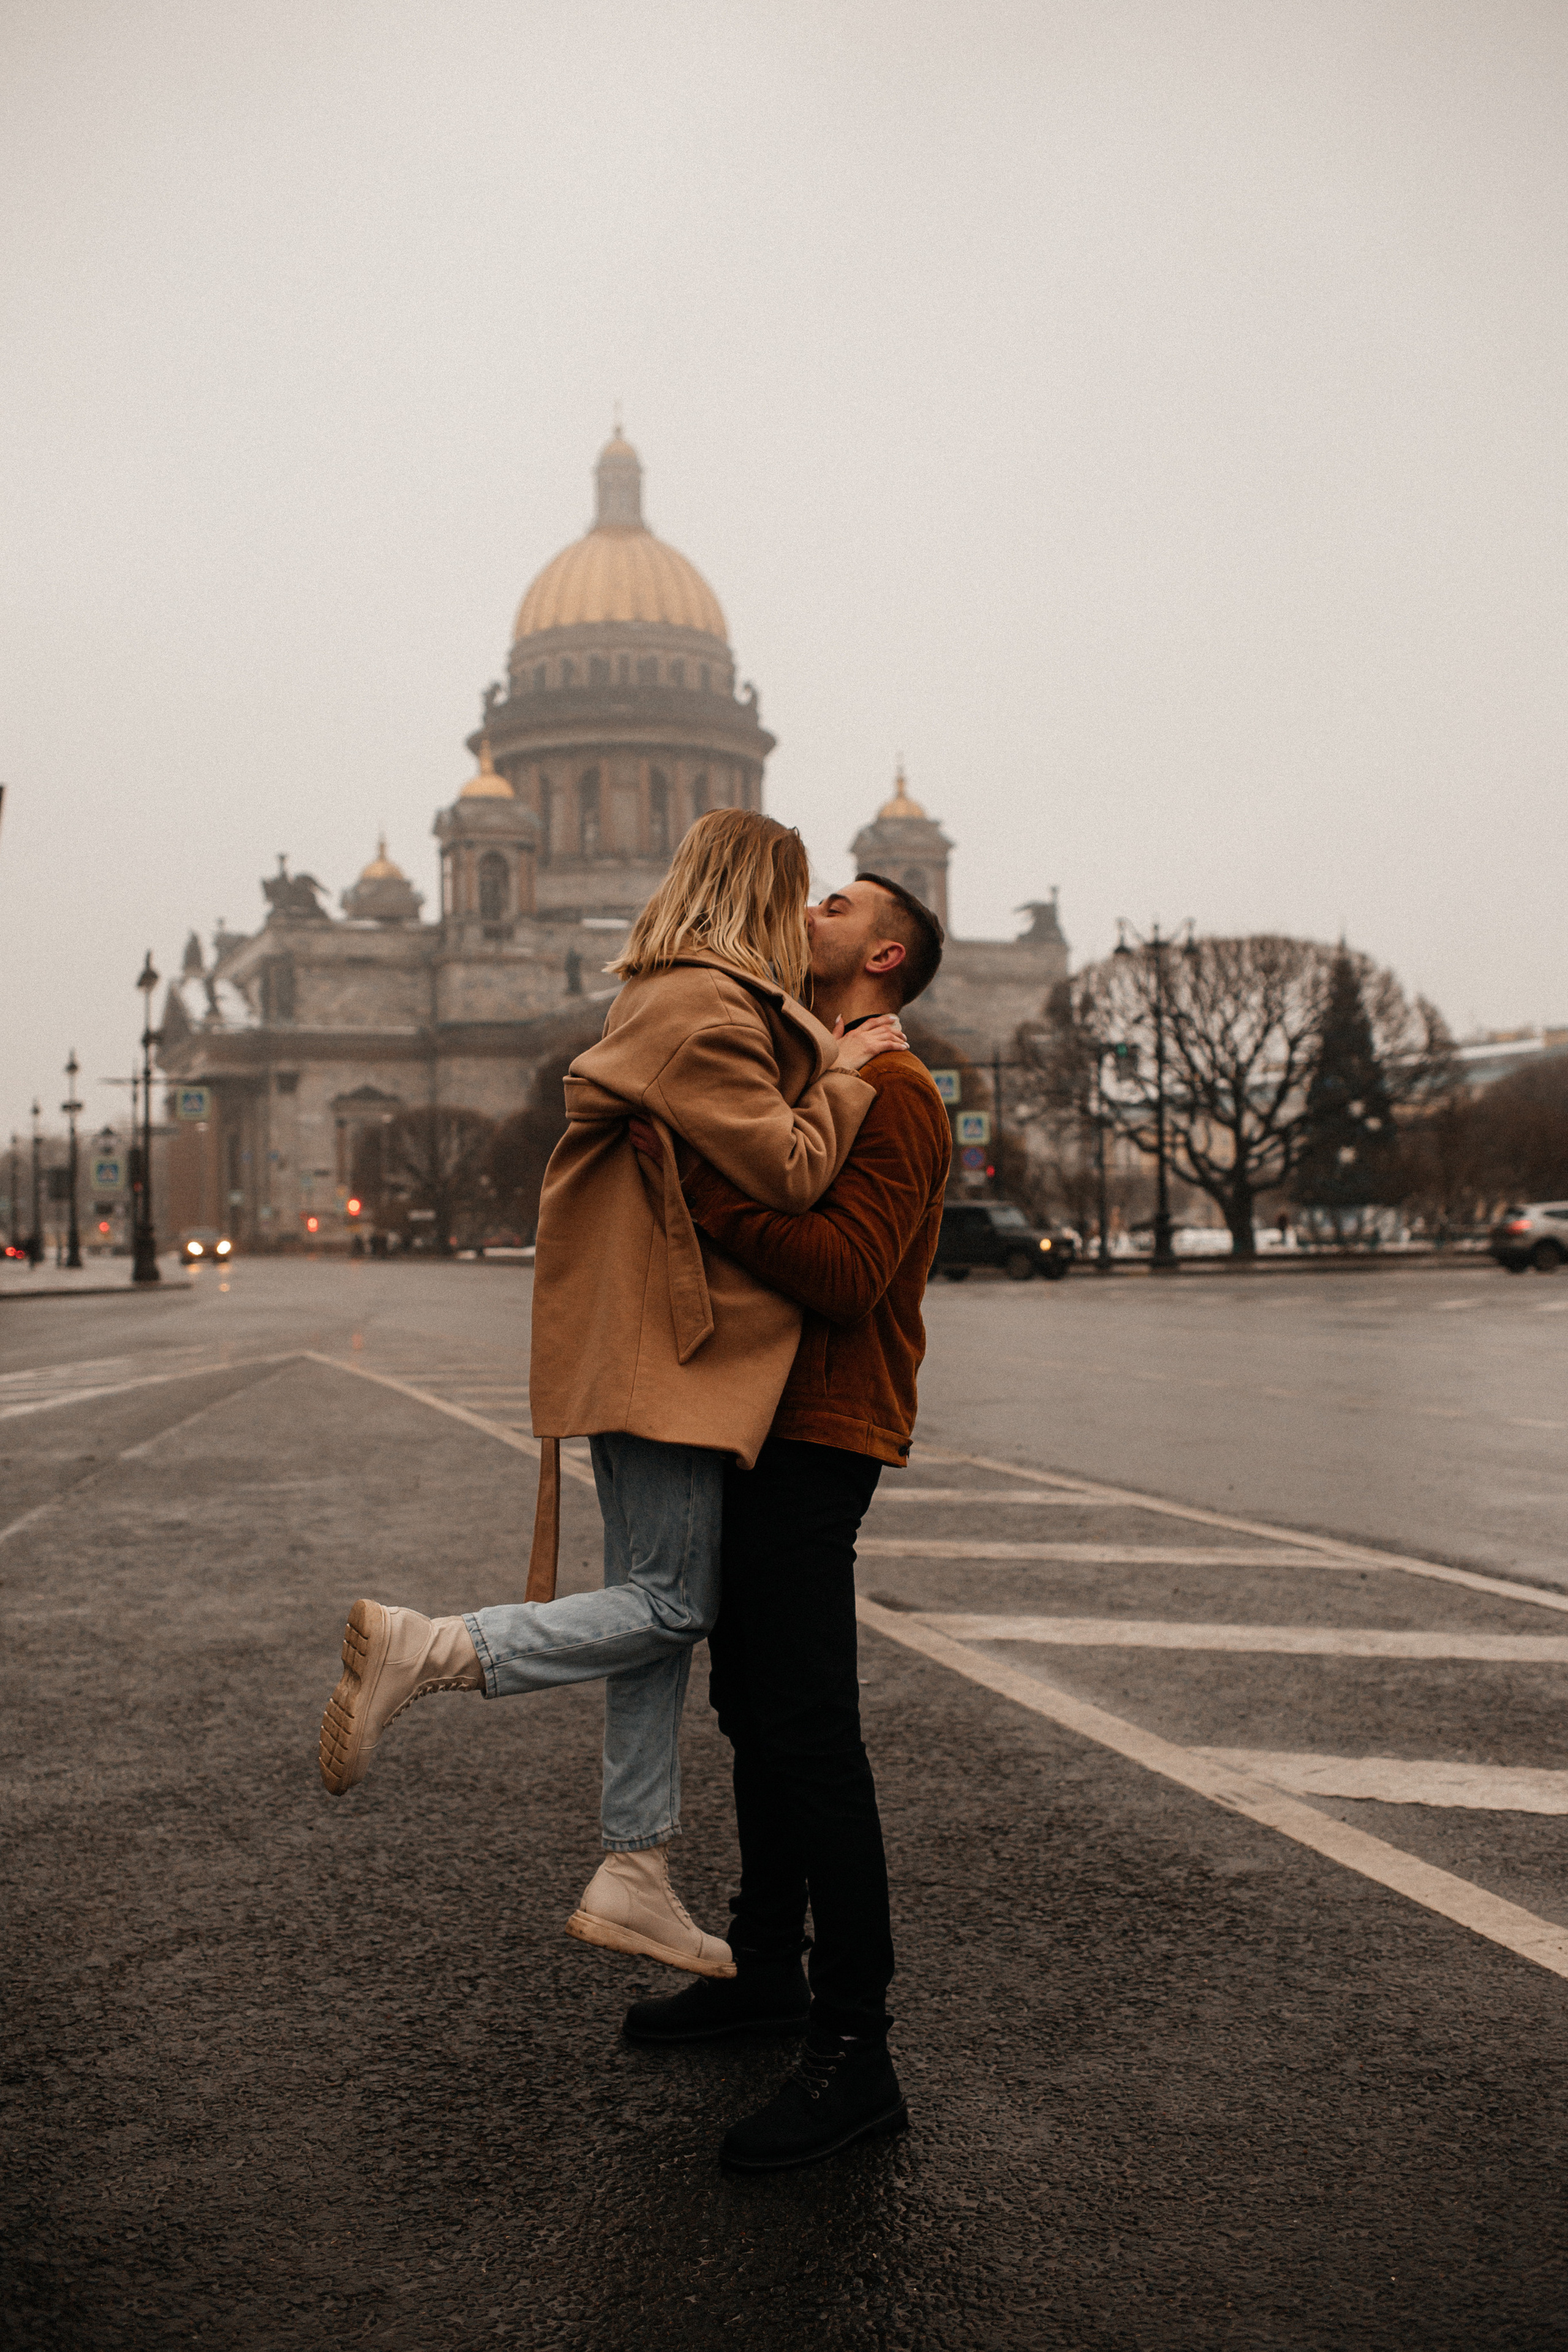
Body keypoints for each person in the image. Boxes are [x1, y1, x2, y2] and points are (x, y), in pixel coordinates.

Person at [317, 812, 907, 1980]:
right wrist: (846, 1076)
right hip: (662, 1353)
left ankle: (635, 1866)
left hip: (656, 1345)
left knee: (652, 1600)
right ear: (757, 893)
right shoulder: (706, 1009)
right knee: (677, 1606)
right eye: (801, 896)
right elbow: (793, 1172)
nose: (808, 919)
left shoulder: (677, 998)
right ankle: (432, 1647)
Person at [620, 873, 952, 2172]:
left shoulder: (899, 1091)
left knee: (811, 1736)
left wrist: (702, 1195)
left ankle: (854, 2050)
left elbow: (846, 1273)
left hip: (823, 1428)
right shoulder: (811, 1075)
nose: (806, 909)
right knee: (754, 1713)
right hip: (759, 1423)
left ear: (884, 954)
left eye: (837, 904)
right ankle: (765, 1968)